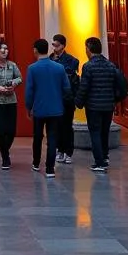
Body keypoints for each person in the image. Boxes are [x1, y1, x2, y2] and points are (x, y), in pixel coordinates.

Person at [75, 37, 123, 173]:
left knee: (95, 132)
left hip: (93, 106)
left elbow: (84, 87)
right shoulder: (111, 65)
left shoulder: (88, 66)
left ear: (88, 49)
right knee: (104, 131)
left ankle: (99, 161)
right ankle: (105, 157)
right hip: (108, 105)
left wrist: (78, 102)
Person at [24, 39, 69, 177]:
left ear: (35, 50)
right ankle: (50, 168)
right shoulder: (59, 68)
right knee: (53, 138)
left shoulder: (32, 68)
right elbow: (66, 88)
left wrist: (28, 107)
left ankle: (36, 163)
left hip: (39, 108)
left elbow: (29, 91)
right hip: (56, 108)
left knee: (37, 136)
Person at [50, 34, 79, 164]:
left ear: (63, 46)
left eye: (57, 45)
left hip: (67, 98)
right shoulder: (50, 59)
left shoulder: (71, 60)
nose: (54, 48)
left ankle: (68, 151)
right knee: (57, 126)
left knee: (67, 126)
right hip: (55, 98)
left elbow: (67, 74)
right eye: (53, 45)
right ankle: (60, 150)